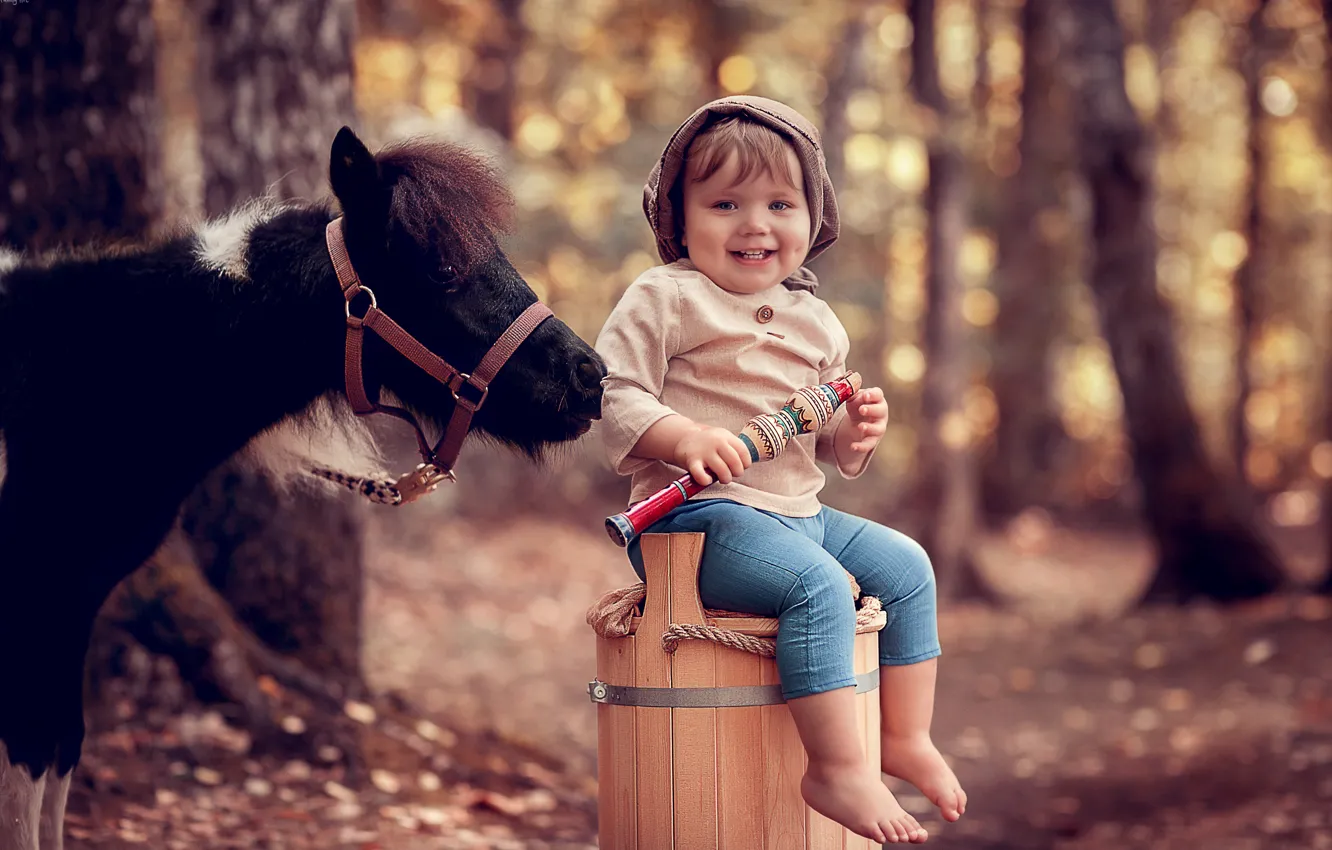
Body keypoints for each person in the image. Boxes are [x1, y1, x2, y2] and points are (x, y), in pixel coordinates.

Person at [594, 96, 966, 843]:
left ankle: (904, 737)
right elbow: (612, 392)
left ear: (812, 216)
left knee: (907, 567)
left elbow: (822, 444)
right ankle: (835, 769)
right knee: (818, 586)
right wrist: (681, 435)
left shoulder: (815, 320)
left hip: (799, 513)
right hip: (694, 520)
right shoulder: (666, 296)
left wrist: (853, 436)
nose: (754, 224)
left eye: (779, 204)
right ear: (678, 218)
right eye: (724, 204)